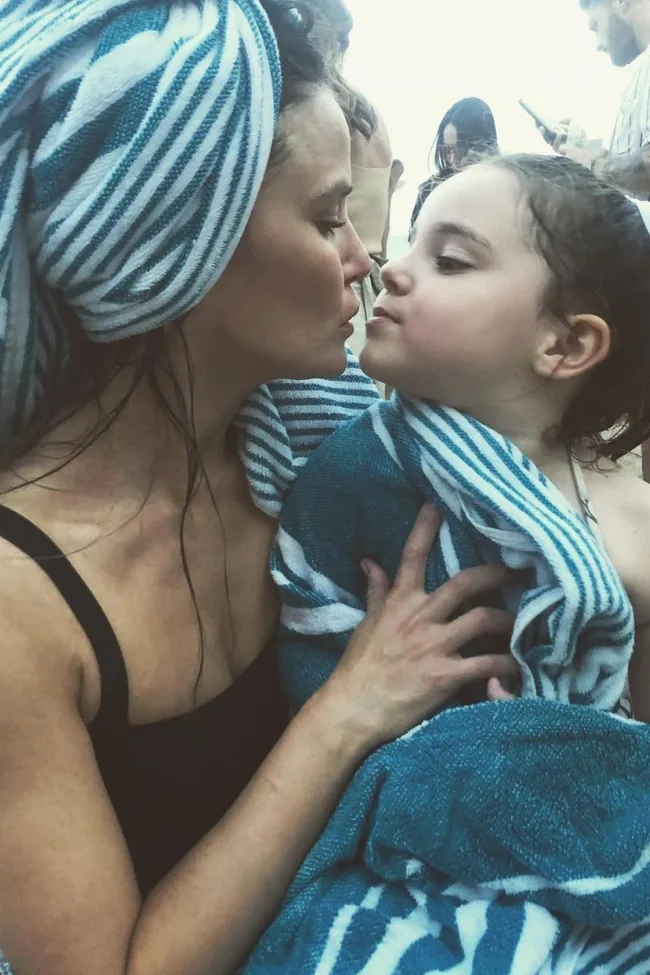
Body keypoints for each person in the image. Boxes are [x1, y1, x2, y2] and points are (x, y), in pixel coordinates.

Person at [0, 2, 519, 974]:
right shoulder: (18, 601)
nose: (363, 260)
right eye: (326, 218)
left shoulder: (317, 457)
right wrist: (346, 710)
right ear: (173, 245)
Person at [245, 154, 650, 973]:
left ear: (566, 343)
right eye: (412, 241)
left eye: (450, 259)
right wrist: (470, 747)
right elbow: (312, 653)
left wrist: (550, 744)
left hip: (590, 848)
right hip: (406, 855)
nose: (392, 268)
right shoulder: (350, 476)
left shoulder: (629, 521)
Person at [409, 96, 499, 232]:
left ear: (483, 146)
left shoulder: (503, 193)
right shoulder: (431, 191)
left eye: (460, 150)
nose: (452, 159)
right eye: (447, 150)